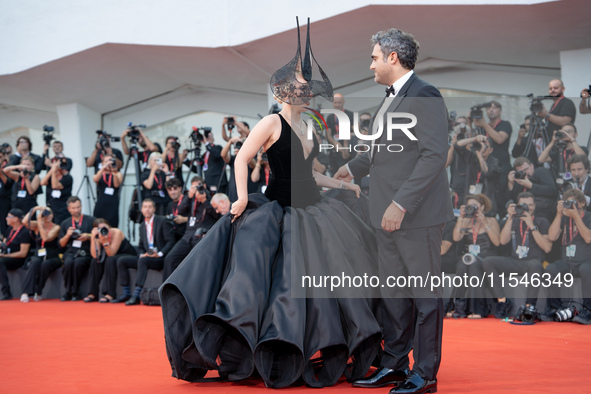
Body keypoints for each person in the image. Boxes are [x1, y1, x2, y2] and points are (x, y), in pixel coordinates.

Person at [161, 18, 381, 389]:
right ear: (282, 91)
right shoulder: (271, 123)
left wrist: (347, 186)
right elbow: (240, 158)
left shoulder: (310, 124)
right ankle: (271, 348)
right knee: (276, 285)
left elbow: (311, 175)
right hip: (278, 213)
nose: (306, 91)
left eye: (307, 87)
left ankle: (320, 345)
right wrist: (243, 196)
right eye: (300, 86)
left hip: (315, 211)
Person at [334, 28, 453, 393]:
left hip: (415, 216)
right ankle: (395, 364)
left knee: (425, 297)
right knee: (395, 295)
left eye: (373, 57)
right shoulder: (388, 99)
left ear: (392, 58)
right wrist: (352, 168)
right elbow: (380, 151)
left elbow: (433, 157)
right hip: (383, 215)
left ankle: (426, 374)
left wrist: (401, 204)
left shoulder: (425, 94)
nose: (369, 63)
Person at [482, 192, 552, 316]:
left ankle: (529, 307)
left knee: (536, 265)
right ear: (517, 206)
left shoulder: (542, 221)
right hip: (514, 261)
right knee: (488, 261)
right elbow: (503, 241)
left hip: (533, 261)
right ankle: (502, 301)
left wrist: (531, 226)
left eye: (530, 205)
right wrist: (510, 217)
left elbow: (547, 248)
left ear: (534, 206)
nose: (527, 208)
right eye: (523, 205)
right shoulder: (513, 221)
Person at [449, 194, 500, 318]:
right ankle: (457, 306)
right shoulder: (466, 221)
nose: (472, 208)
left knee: (474, 267)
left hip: (485, 257)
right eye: (469, 206)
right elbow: (456, 237)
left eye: (475, 206)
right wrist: (461, 218)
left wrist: (484, 223)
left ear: (482, 207)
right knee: (462, 265)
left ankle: (477, 308)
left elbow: (497, 242)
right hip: (468, 256)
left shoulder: (491, 220)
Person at [115, 199, 175, 305]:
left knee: (143, 261)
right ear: (141, 210)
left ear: (154, 209)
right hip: (148, 256)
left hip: (160, 258)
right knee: (122, 260)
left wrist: (160, 253)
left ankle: (137, 295)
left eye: (150, 207)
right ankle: (126, 293)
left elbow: (171, 241)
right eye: (145, 207)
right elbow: (141, 246)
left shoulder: (162, 221)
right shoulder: (142, 226)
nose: (147, 209)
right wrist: (142, 254)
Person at [545, 189, 591, 324]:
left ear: (582, 203)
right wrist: (559, 215)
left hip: (586, 261)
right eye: (568, 203)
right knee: (551, 269)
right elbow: (552, 236)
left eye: (574, 202)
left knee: (586, 270)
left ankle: (587, 310)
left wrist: (576, 216)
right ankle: (554, 307)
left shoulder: (588, 216)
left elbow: (588, 238)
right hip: (567, 262)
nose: (571, 206)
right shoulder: (564, 218)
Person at [161, 176, 219, 280]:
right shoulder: (190, 199)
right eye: (193, 187)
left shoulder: (211, 197)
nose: (196, 189)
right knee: (170, 258)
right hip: (188, 236)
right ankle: (167, 290)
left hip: (201, 236)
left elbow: (216, 215)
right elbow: (180, 210)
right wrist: (189, 196)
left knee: (194, 260)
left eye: (198, 186)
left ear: (204, 186)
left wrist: (204, 200)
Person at [84, 219, 136, 303]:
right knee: (95, 261)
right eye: (100, 229)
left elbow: (111, 253)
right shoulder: (98, 236)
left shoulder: (116, 232)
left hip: (126, 255)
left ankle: (110, 293)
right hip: (111, 257)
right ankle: (92, 293)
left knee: (110, 260)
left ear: (109, 227)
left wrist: (105, 241)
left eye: (105, 228)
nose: (103, 231)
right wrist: (93, 238)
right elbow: (95, 255)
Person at [20, 206, 62, 302]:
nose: (47, 216)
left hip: (52, 255)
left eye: (49, 213)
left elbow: (45, 238)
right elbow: (25, 222)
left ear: (52, 215)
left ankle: (38, 291)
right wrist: (34, 209)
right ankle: (25, 292)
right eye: (45, 214)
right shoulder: (37, 225)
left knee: (45, 264)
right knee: (34, 262)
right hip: (38, 253)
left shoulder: (56, 227)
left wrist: (39, 222)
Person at [454, 134, 501, 217]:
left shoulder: (495, 162)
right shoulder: (472, 157)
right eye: (482, 145)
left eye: (486, 146)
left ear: (491, 150)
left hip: (487, 206)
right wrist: (474, 139)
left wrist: (480, 155)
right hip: (470, 202)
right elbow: (457, 145)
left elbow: (487, 172)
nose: (483, 148)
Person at [59, 196, 94, 301]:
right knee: (68, 263)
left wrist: (88, 236)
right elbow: (61, 244)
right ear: (69, 209)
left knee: (78, 263)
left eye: (78, 207)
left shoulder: (91, 220)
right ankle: (67, 291)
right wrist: (67, 235)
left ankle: (76, 291)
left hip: (86, 251)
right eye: (73, 208)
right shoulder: (65, 223)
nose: (76, 210)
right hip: (71, 251)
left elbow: (99, 235)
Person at [507, 157, 558, 222]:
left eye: (526, 169)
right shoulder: (519, 181)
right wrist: (510, 184)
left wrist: (531, 186)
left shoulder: (541, 172)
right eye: (521, 171)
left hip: (545, 214)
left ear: (532, 166)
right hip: (524, 215)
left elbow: (552, 190)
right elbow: (513, 200)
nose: (525, 173)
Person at [0, 209, 32, 300]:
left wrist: (4, 256)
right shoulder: (9, 229)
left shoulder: (24, 232)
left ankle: (6, 292)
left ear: (16, 219)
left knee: (0, 261)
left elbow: (23, 253)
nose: (6, 218)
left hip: (19, 259)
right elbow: (6, 243)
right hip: (7, 256)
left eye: (8, 217)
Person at [326, 93, 354, 174]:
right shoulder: (330, 117)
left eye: (339, 102)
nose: (337, 105)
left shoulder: (350, 114)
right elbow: (328, 134)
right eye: (335, 102)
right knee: (335, 173)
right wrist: (335, 143)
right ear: (332, 103)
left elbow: (355, 130)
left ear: (343, 102)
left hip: (347, 148)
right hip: (334, 149)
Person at [93, 154, 122, 228]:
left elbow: (116, 185)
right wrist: (103, 168)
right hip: (101, 203)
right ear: (102, 163)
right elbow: (95, 179)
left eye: (110, 161)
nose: (109, 163)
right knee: (98, 223)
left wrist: (114, 172)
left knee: (112, 224)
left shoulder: (118, 174)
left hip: (112, 204)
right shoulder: (100, 173)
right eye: (106, 161)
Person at [40, 158, 73, 224]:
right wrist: (52, 169)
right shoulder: (53, 175)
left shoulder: (68, 177)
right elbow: (42, 182)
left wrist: (53, 171)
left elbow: (55, 186)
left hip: (62, 210)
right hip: (51, 209)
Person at [201, 129, 228, 194]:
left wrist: (207, 144)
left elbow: (217, 155)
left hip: (218, 183)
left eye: (210, 136)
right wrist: (185, 160)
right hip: (208, 184)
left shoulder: (218, 148)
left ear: (213, 139)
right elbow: (197, 169)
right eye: (207, 136)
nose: (208, 138)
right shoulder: (204, 154)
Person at [0, 147, 13, 234]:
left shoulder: (8, 167)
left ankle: (5, 239)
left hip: (5, 200)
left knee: (4, 223)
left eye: (0, 157)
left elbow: (8, 183)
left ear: (4, 156)